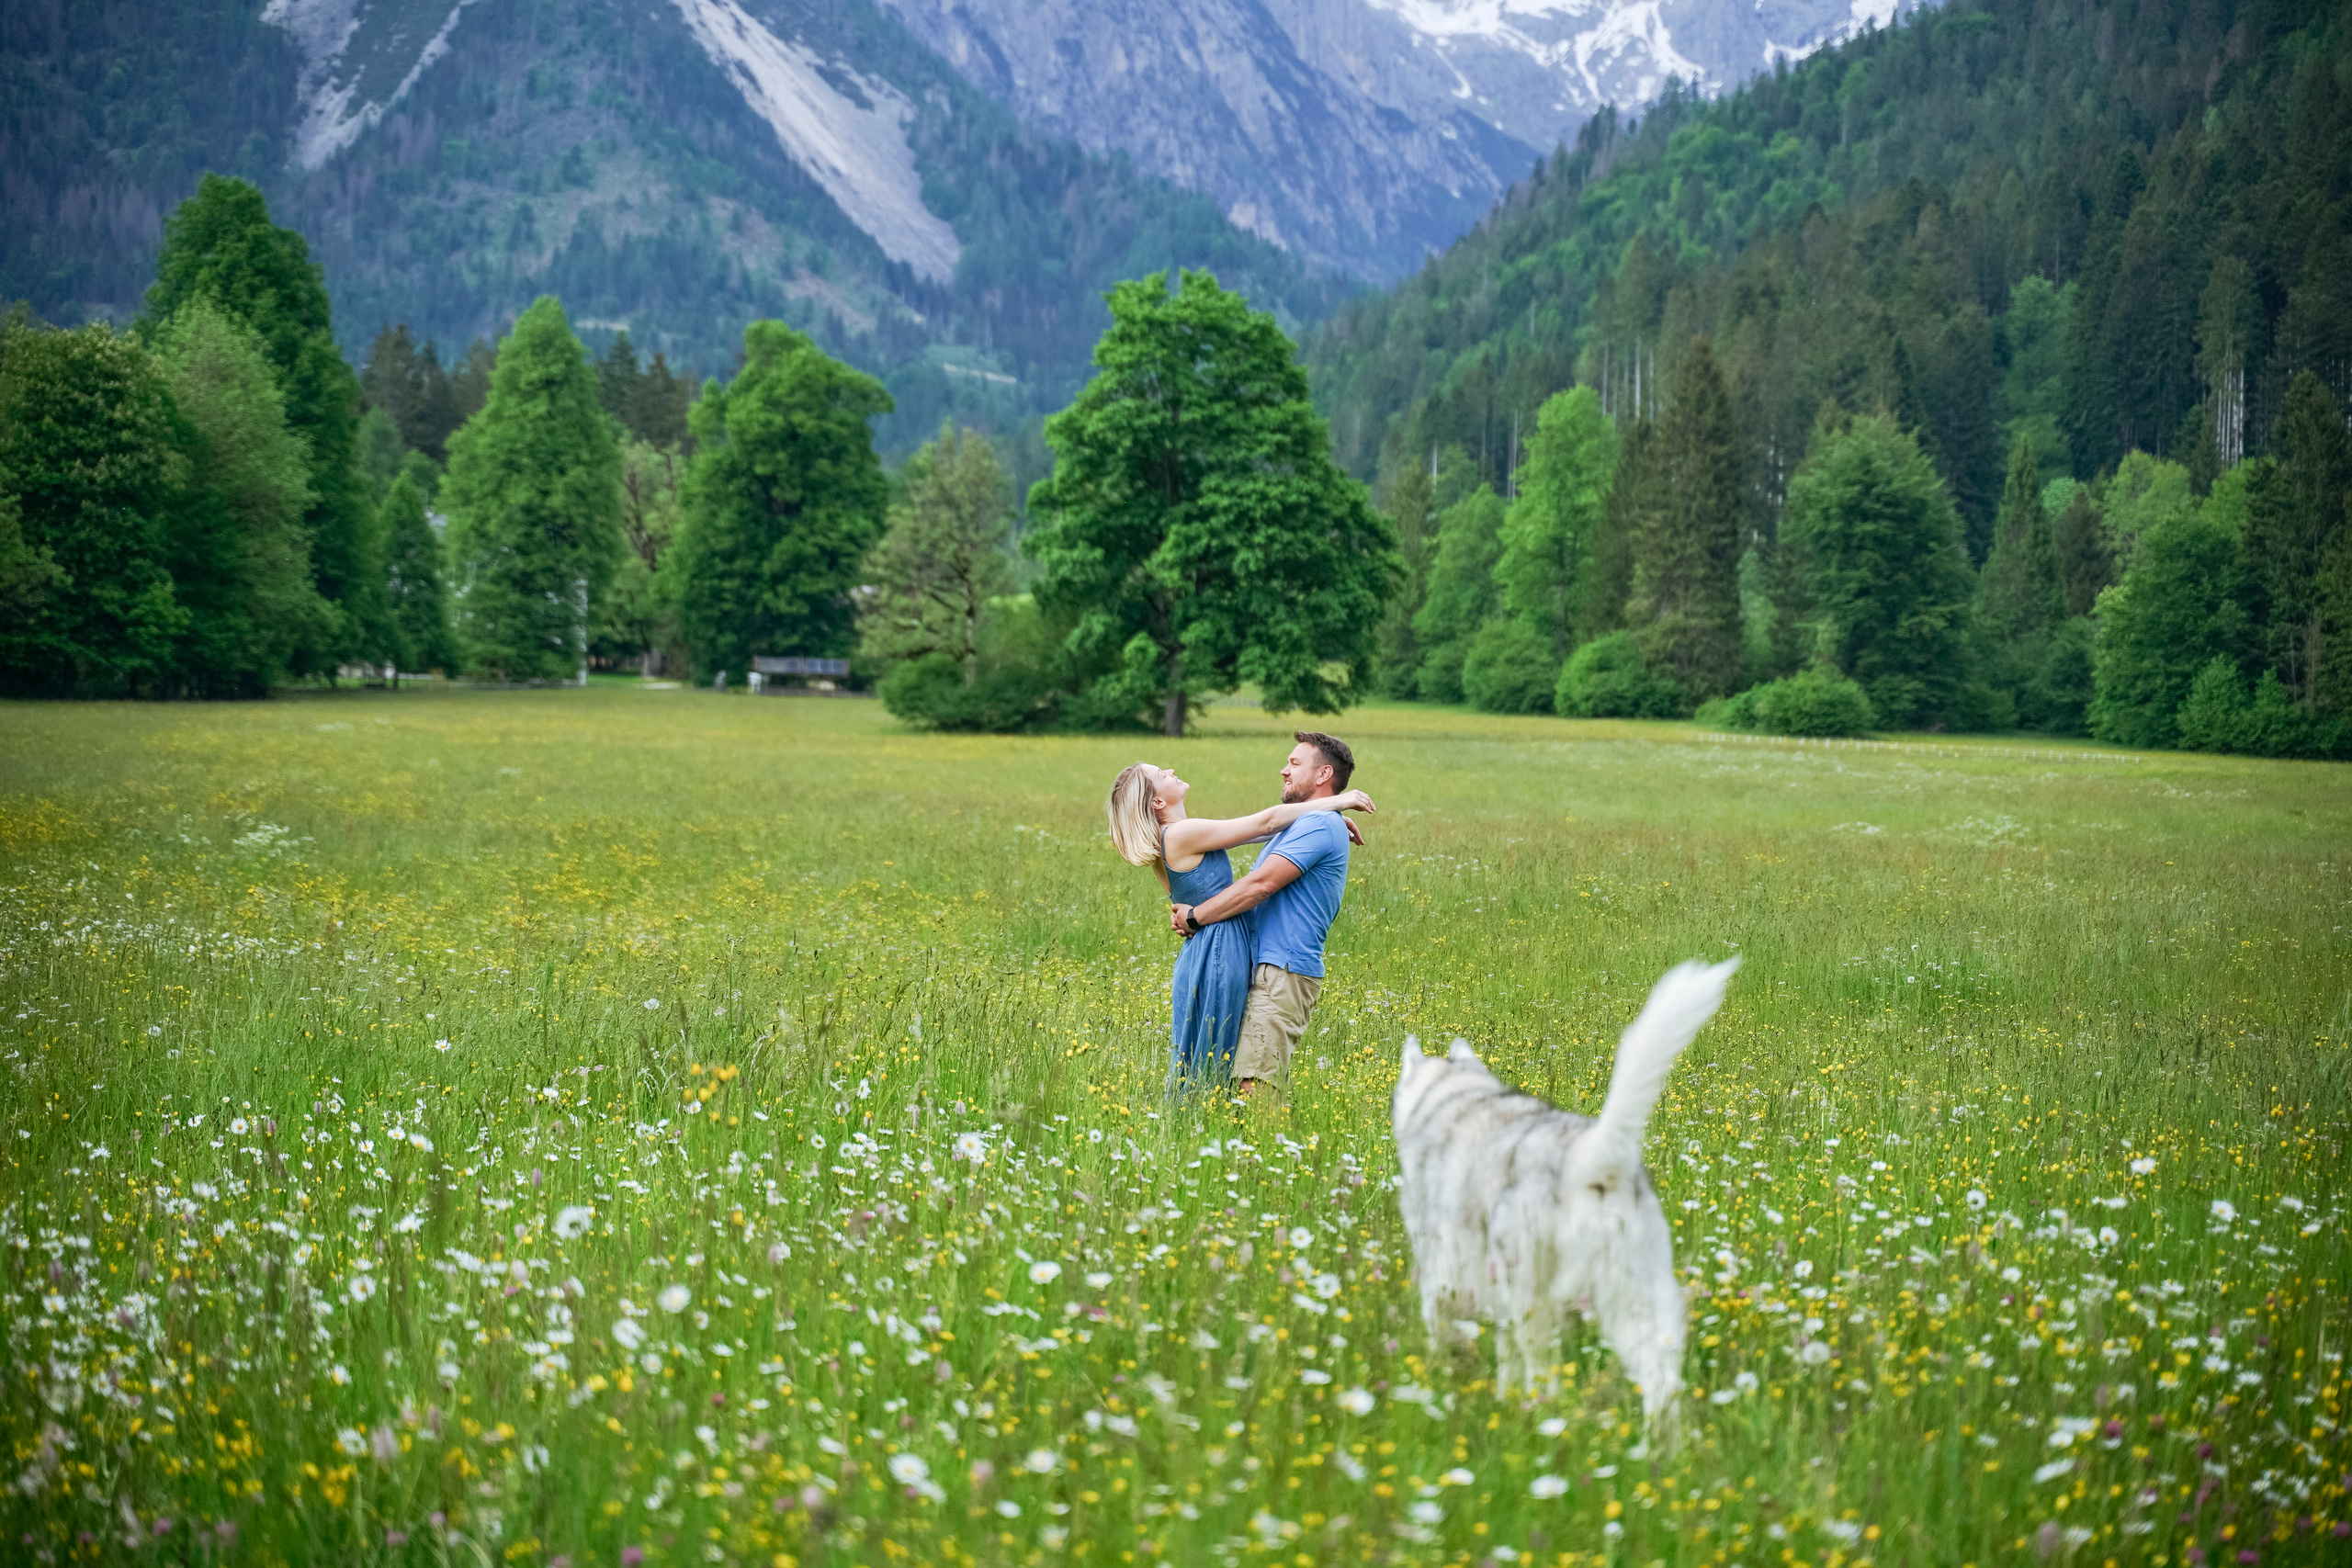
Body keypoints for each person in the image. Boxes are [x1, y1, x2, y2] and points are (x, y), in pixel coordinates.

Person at [1106, 761, 1374, 1088]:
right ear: (1157, 802)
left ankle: (1196, 1128)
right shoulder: (1180, 834)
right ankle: (1203, 1125)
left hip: (1208, 945)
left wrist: (1322, 821)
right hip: (1219, 949)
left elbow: (1263, 832)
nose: (1172, 771)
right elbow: (1267, 822)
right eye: (1162, 775)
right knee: (1213, 1060)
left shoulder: (1170, 840)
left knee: (1207, 1058)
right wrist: (1336, 802)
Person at [1170, 732, 1357, 1101]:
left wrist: (1196, 917)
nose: (1284, 770)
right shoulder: (1310, 822)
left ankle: (1273, 1157)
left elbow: (1260, 886)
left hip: (1282, 971)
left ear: (1323, 776)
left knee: (1254, 1085)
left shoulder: (1318, 825)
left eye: (1295, 763)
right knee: (1236, 1082)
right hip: (1266, 967)